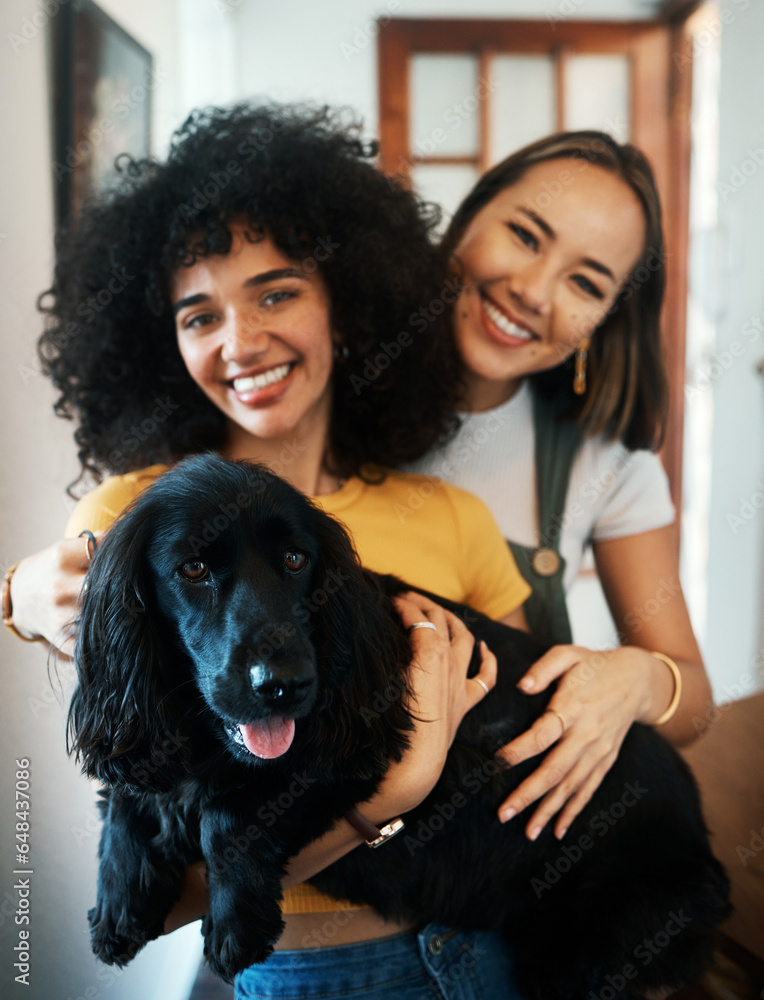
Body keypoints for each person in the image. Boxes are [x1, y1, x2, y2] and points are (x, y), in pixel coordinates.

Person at [5, 103, 531, 999]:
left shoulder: (451, 517)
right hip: (300, 971)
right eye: (197, 315)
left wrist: (630, 679)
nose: (241, 342)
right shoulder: (130, 524)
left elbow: (525, 757)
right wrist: (381, 806)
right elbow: (153, 902)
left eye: (276, 292)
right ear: (159, 341)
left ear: (348, 303)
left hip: (495, 944)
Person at [409, 131, 712, 843]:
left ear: (606, 320)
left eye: (586, 283)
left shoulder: (603, 460)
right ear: (468, 216)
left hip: (495, 862)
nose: (534, 292)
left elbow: (694, 702)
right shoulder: (326, 390)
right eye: (524, 235)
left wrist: (634, 678)